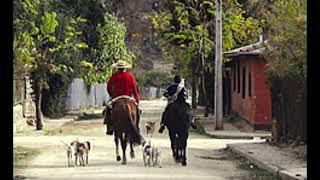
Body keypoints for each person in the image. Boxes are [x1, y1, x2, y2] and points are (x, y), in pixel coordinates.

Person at [104, 60, 141, 135]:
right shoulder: (130, 76)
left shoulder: (114, 76)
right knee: (138, 111)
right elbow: (135, 89)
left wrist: (112, 95)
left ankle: (110, 127)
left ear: (117, 68)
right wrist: (137, 100)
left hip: (116, 98)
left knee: (108, 109)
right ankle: (136, 126)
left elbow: (108, 87)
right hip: (128, 98)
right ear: (125, 68)